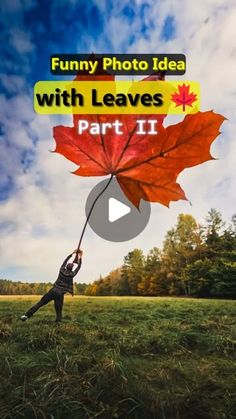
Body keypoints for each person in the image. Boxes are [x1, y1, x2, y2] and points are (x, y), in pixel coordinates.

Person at [20, 249, 83, 323]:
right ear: (72, 268)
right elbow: (79, 267)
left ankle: (26, 316)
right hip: (60, 295)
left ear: (66, 267)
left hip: (52, 291)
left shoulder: (62, 270)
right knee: (58, 310)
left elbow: (65, 261)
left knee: (40, 303)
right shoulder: (72, 274)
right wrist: (80, 257)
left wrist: (72, 254)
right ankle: (58, 323)